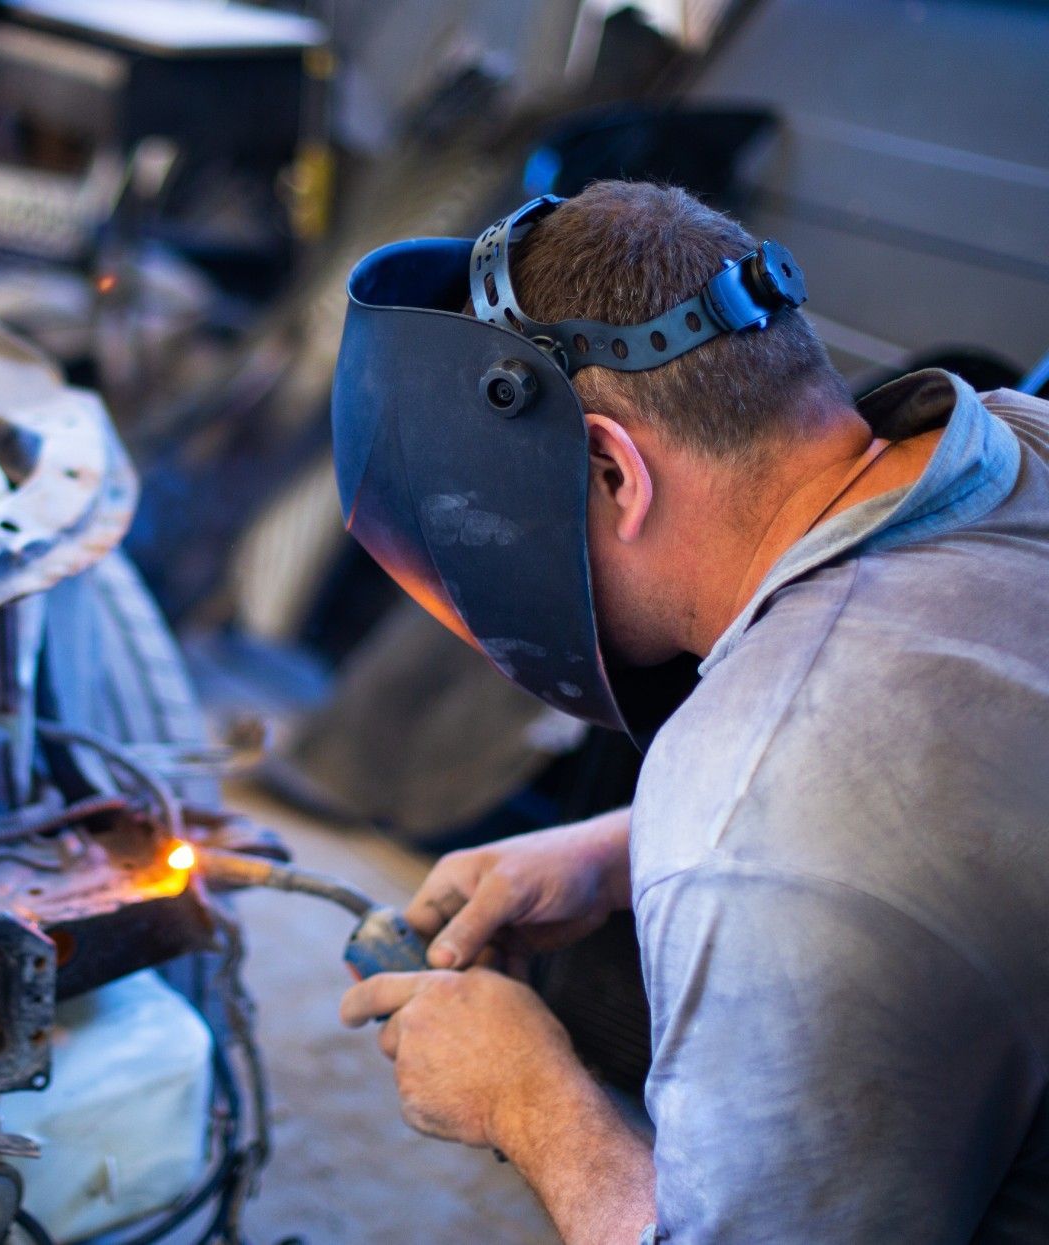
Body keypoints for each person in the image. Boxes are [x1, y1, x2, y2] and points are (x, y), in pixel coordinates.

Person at [327, 181, 1049, 1243]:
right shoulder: (1018, 440)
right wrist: (623, 846)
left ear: (613, 470)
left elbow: (813, 814)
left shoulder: (762, 813)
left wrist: (527, 1100)